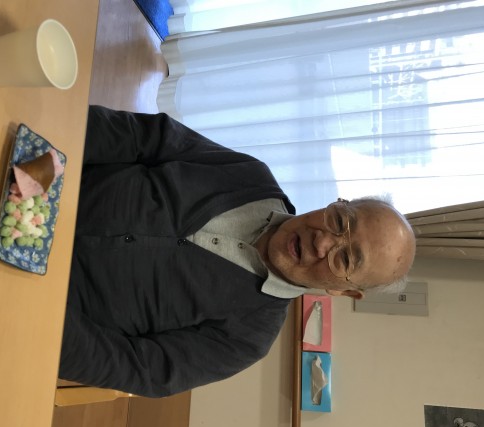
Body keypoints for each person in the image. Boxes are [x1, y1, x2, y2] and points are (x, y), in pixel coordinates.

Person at [59, 105, 416, 398]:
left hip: (48, 298)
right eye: (339, 220)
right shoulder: (251, 176)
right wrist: (56, 149)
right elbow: (148, 138)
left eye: (345, 258)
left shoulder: (249, 337)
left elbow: (144, 368)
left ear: (343, 291)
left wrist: (51, 318)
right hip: (52, 176)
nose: (322, 241)